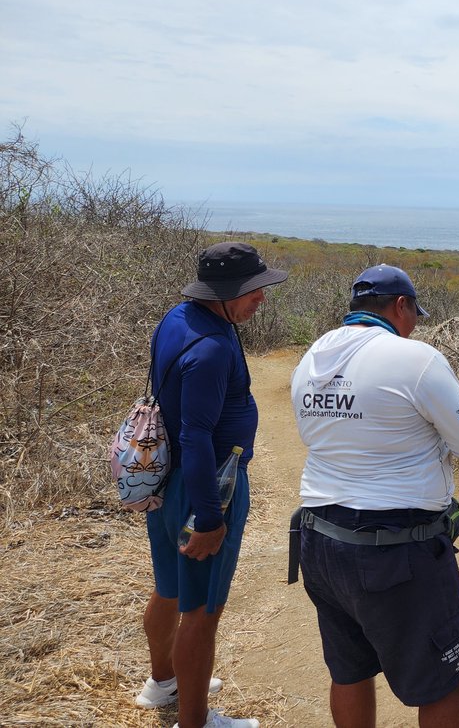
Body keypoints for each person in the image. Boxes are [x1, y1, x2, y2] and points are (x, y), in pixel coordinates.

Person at [291, 265, 459, 728]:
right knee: (442, 681)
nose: (414, 324)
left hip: (319, 539)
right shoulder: (414, 359)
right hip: (396, 548)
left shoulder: (312, 356)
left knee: (349, 670)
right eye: (414, 313)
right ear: (400, 305)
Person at [139, 241, 287, 728]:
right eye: (252, 289)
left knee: (169, 589)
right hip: (204, 486)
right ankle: (196, 721)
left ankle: (163, 683)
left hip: (168, 481)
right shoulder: (212, 349)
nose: (261, 298)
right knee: (202, 613)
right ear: (222, 292)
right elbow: (196, 435)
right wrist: (209, 518)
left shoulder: (177, 318)